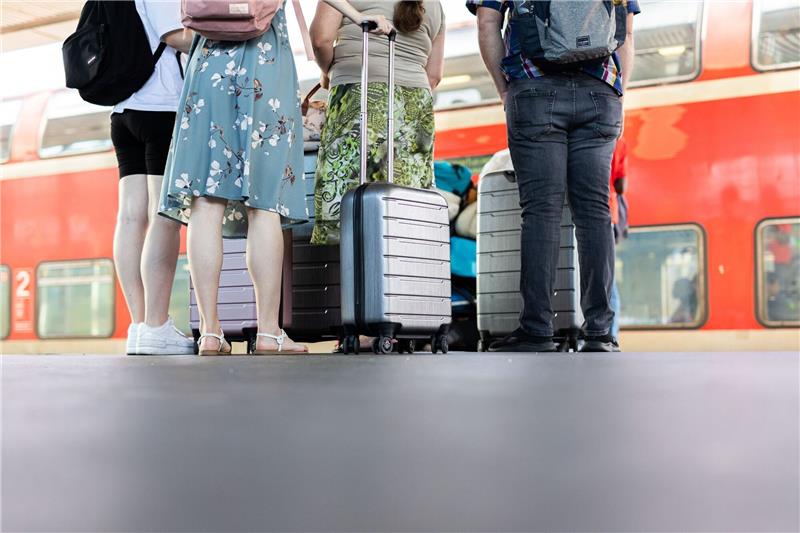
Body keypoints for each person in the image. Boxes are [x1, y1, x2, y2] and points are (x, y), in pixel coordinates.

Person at [470, 0, 640, 353]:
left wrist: (505, 90)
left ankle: (537, 330)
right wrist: (618, 92)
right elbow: (626, 33)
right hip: (600, 90)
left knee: (541, 212)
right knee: (594, 212)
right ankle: (600, 332)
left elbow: (487, 23)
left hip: (534, 87)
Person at [309, 0, 446, 245]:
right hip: (415, 105)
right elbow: (434, 75)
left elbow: (321, 40)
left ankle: (348, 265)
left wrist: (329, 71)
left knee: (347, 195)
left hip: (358, 91)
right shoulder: (435, 5)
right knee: (407, 200)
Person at [111, 0, 195, 355]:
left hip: (123, 110)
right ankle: (156, 325)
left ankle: (140, 325)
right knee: (165, 216)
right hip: (160, 108)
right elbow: (175, 35)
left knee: (131, 217)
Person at [609, 136, 629, 340]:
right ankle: (610, 335)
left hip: (586, 211)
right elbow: (621, 186)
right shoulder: (618, 141)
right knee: (606, 276)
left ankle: (608, 333)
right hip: (608, 213)